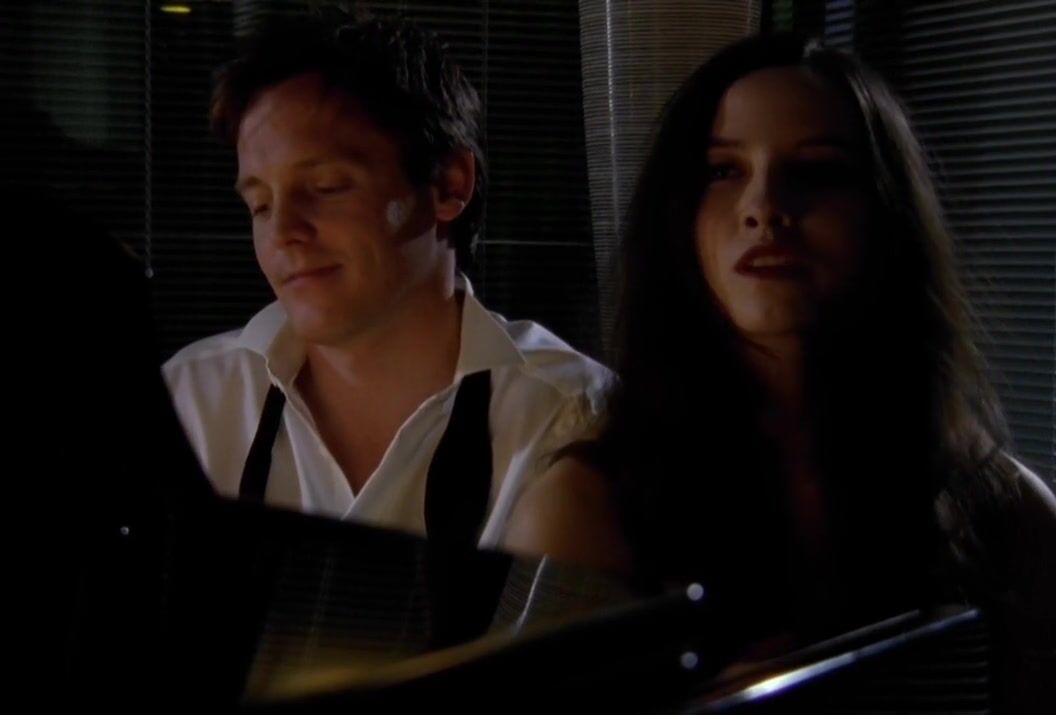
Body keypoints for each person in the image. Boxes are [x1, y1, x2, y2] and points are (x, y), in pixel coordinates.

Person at [503, 33, 1056, 706]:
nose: (764, 207)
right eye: (723, 170)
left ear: (886, 213)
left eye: (816, 170)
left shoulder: (1003, 510)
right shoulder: (585, 509)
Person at [164, 9, 611, 550]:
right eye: (260, 205)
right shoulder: (188, 404)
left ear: (449, 184)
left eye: (326, 187)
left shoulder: (570, 420)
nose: (282, 233)